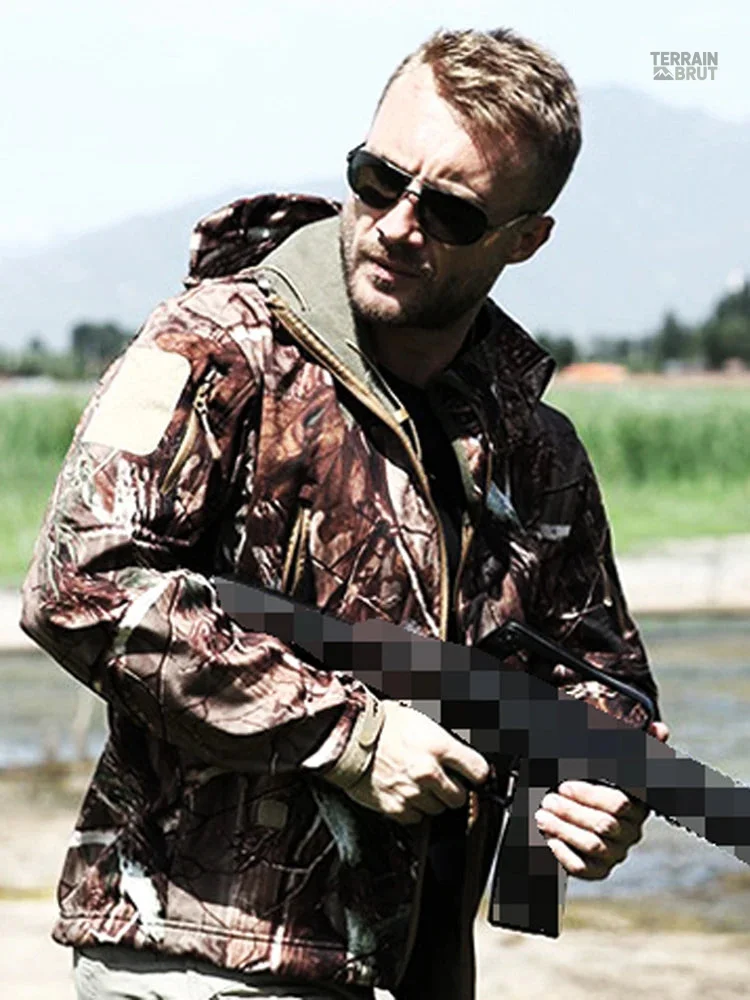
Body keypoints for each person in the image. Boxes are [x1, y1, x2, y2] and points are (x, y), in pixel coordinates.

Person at [21, 26, 669, 1000]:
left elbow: (603, 680)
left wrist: (604, 783)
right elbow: (83, 587)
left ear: (525, 240)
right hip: (199, 956)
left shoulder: (536, 446)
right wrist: (350, 736)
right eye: (379, 178)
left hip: (416, 965)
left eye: (450, 211)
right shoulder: (214, 351)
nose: (398, 223)